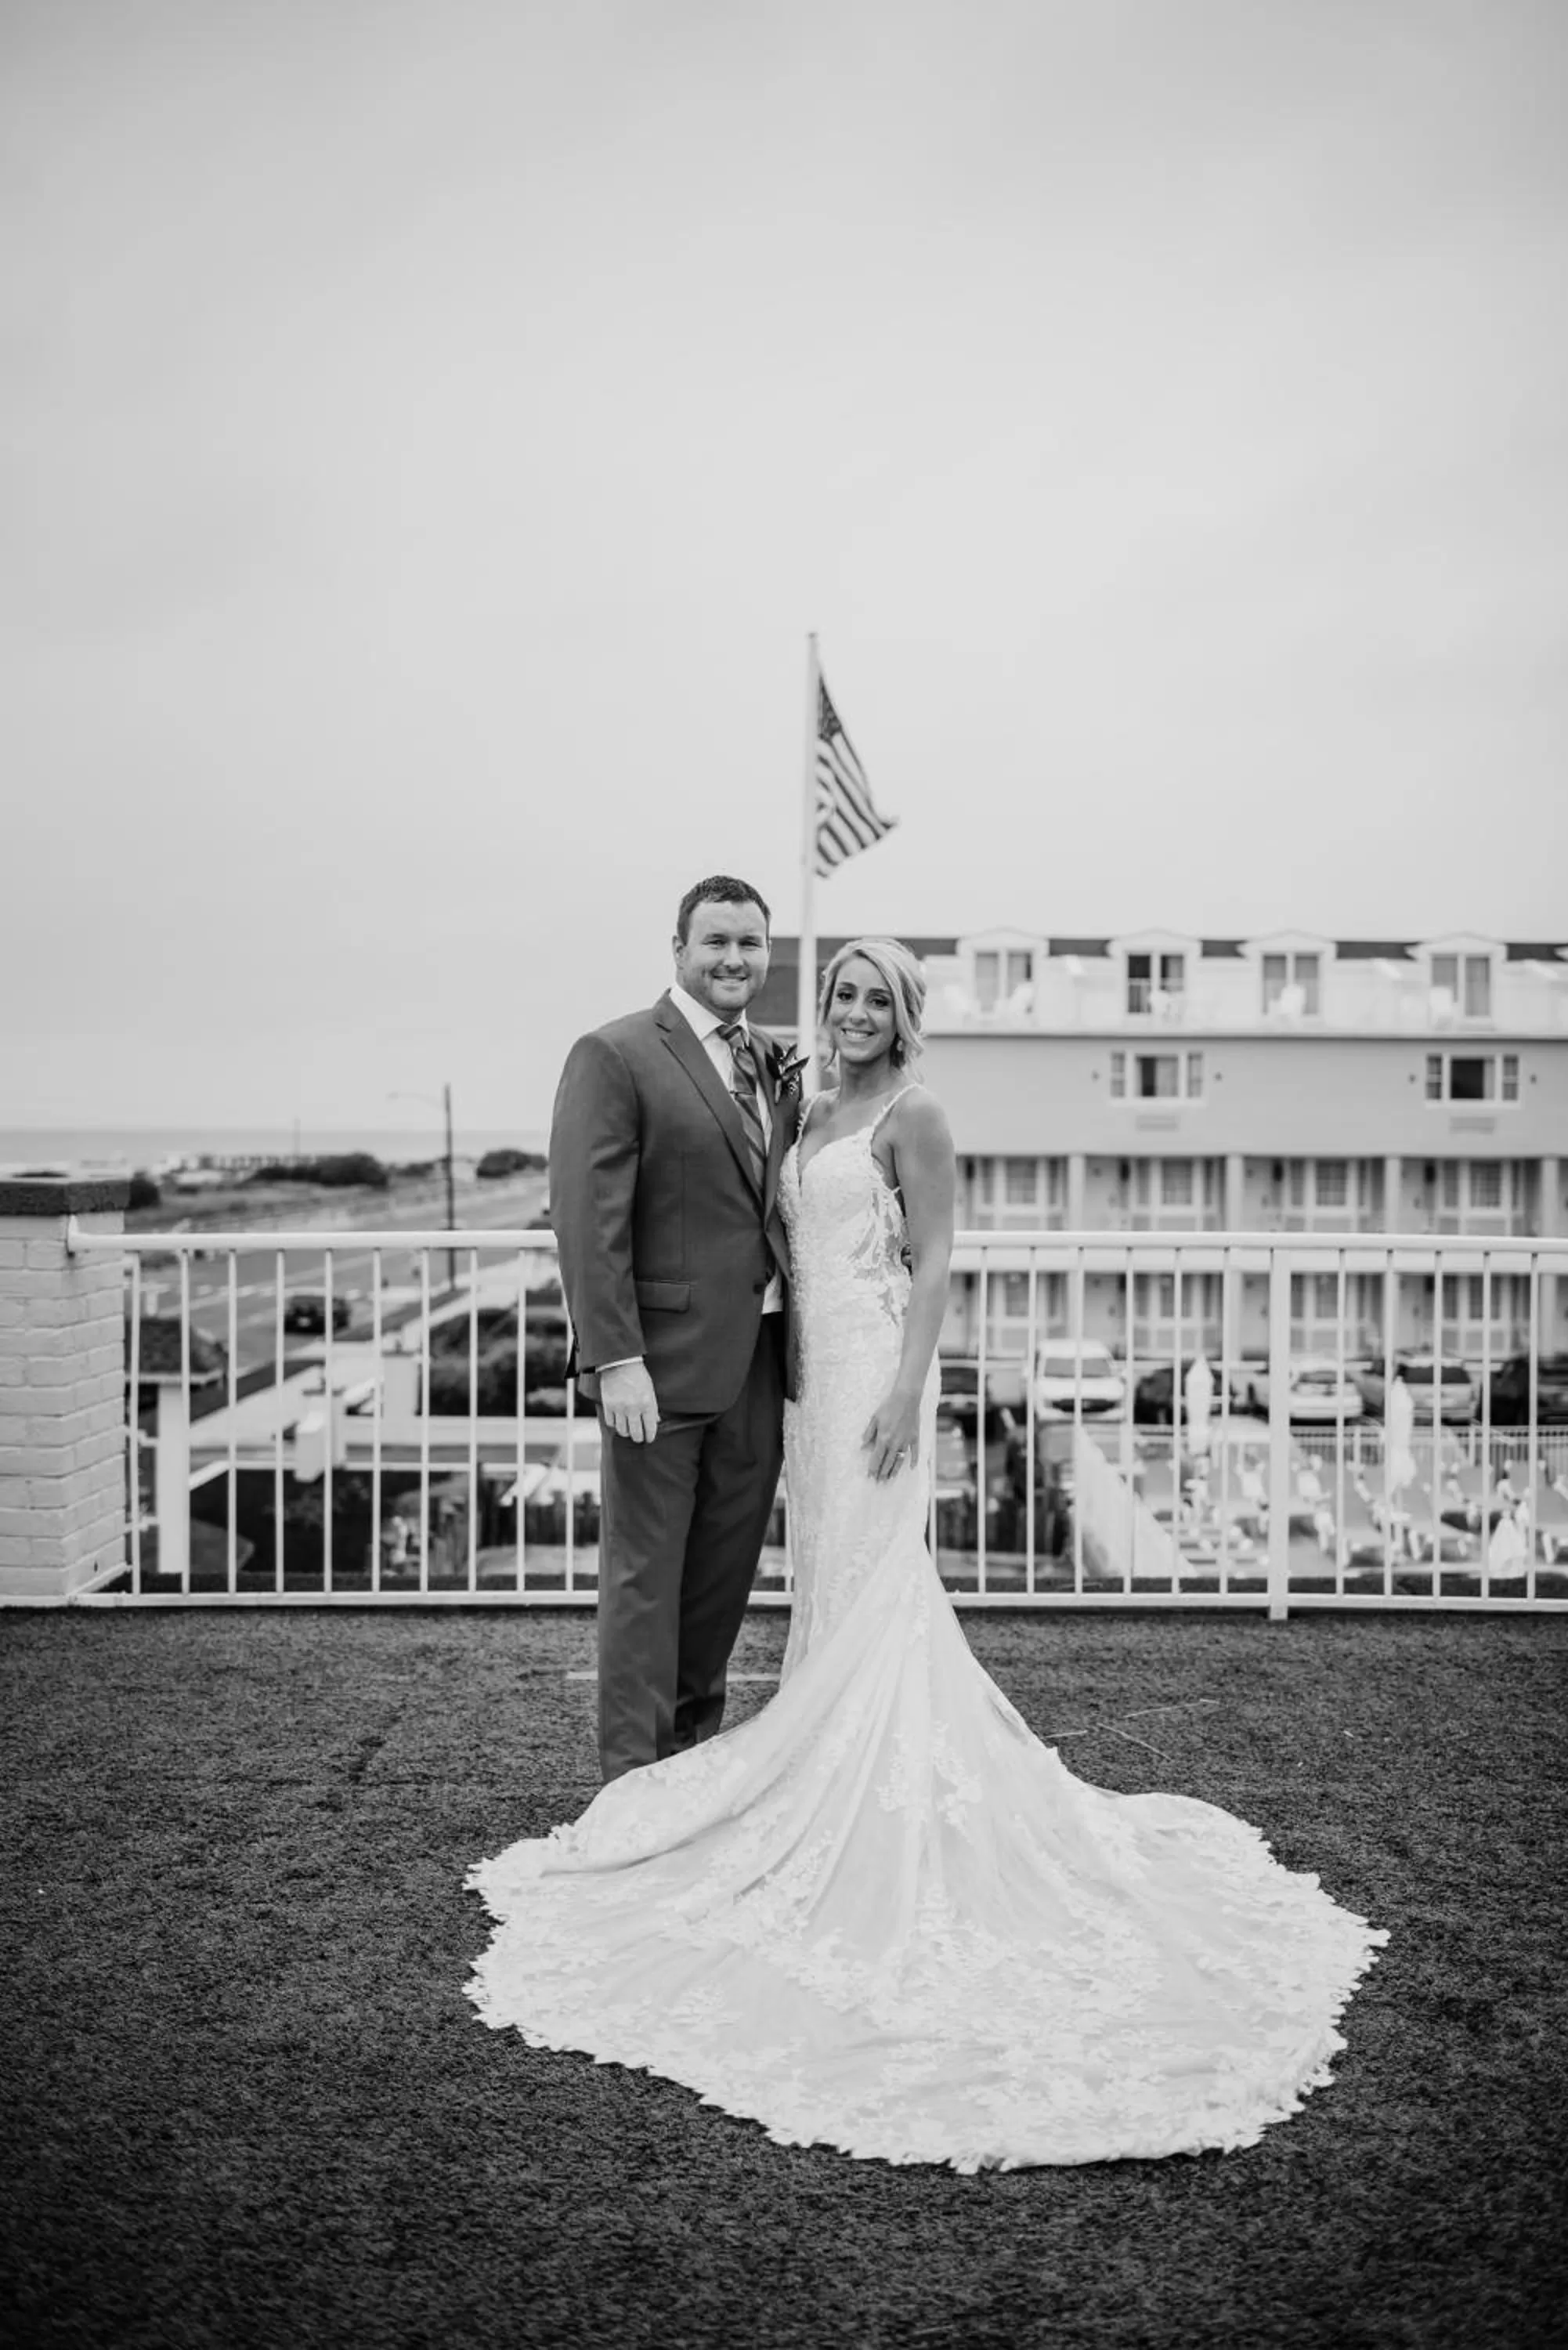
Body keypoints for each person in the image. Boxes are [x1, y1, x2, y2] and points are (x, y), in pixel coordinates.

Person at [468, 937, 1387, 2171]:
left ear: (904, 1016)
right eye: (839, 994)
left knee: (877, 1586)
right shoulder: (801, 1099)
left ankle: (872, 1795)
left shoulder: (914, 1112)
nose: (851, 1012)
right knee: (828, 1584)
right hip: (798, 1381)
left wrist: (908, 1394)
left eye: (873, 998)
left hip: (873, 1381)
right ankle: (802, 1770)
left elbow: (937, 1258)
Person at [544, 875, 798, 1783]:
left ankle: (687, 1768)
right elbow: (586, 1217)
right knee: (644, 1585)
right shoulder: (614, 1054)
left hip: (761, 1364)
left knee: (720, 1583)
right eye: (716, 941)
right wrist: (614, 1358)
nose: (735, 959)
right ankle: (629, 1786)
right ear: (679, 949)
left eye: (751, 943)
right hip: (653, 1368)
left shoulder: (773, 1061)